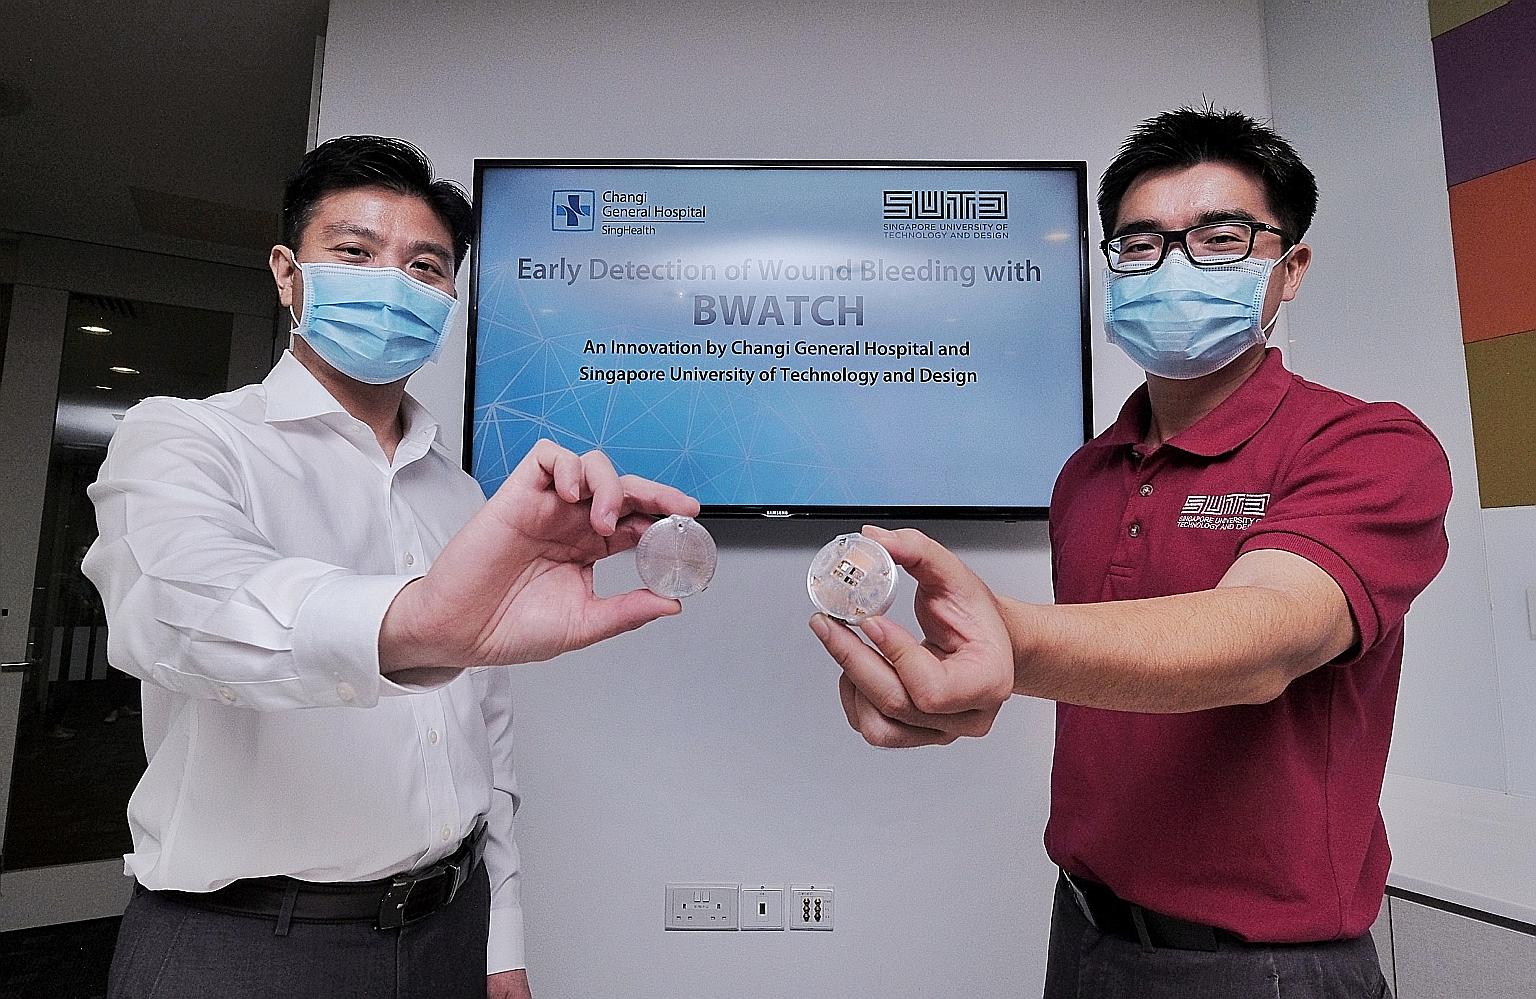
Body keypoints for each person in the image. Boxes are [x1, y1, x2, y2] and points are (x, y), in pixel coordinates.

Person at [810, 108, 1451, 998]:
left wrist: (1009, 641)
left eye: (1221, 239)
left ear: (1289, 268)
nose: (1176, 266)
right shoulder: (1087, 475)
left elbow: (1265, 635)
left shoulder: (1365, 445)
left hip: (1262, 967)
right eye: (1142, 244)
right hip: (1084, 934)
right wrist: (967, 679)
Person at [83, 135, 698, 999]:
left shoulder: (460, 493)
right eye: (354, 252)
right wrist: (415, 623)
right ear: (287, 272)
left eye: (425, 266)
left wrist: (502, 937)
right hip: (248, 943)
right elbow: (187, 611)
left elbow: (488, 734)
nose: (393, 283)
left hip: (450, 927)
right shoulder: (186, 437)